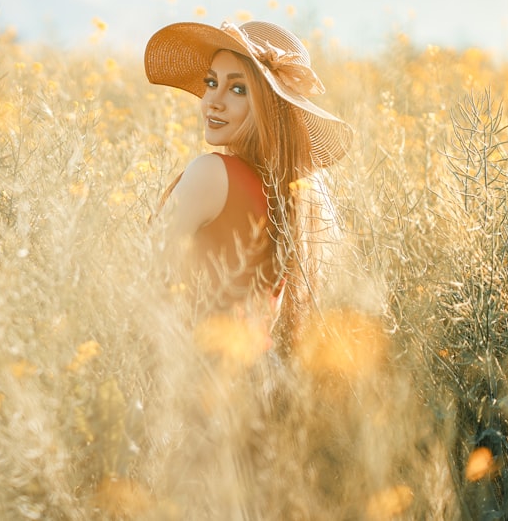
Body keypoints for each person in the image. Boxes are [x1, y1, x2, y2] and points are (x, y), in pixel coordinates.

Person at [144, 20, 353, 354]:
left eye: (238, 89)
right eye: (211, 83)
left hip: (190, 380)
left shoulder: (211, 173)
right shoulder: (294, 196)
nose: (213, 100)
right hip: (249, 385)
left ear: (270, 105)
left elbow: (145, 285)